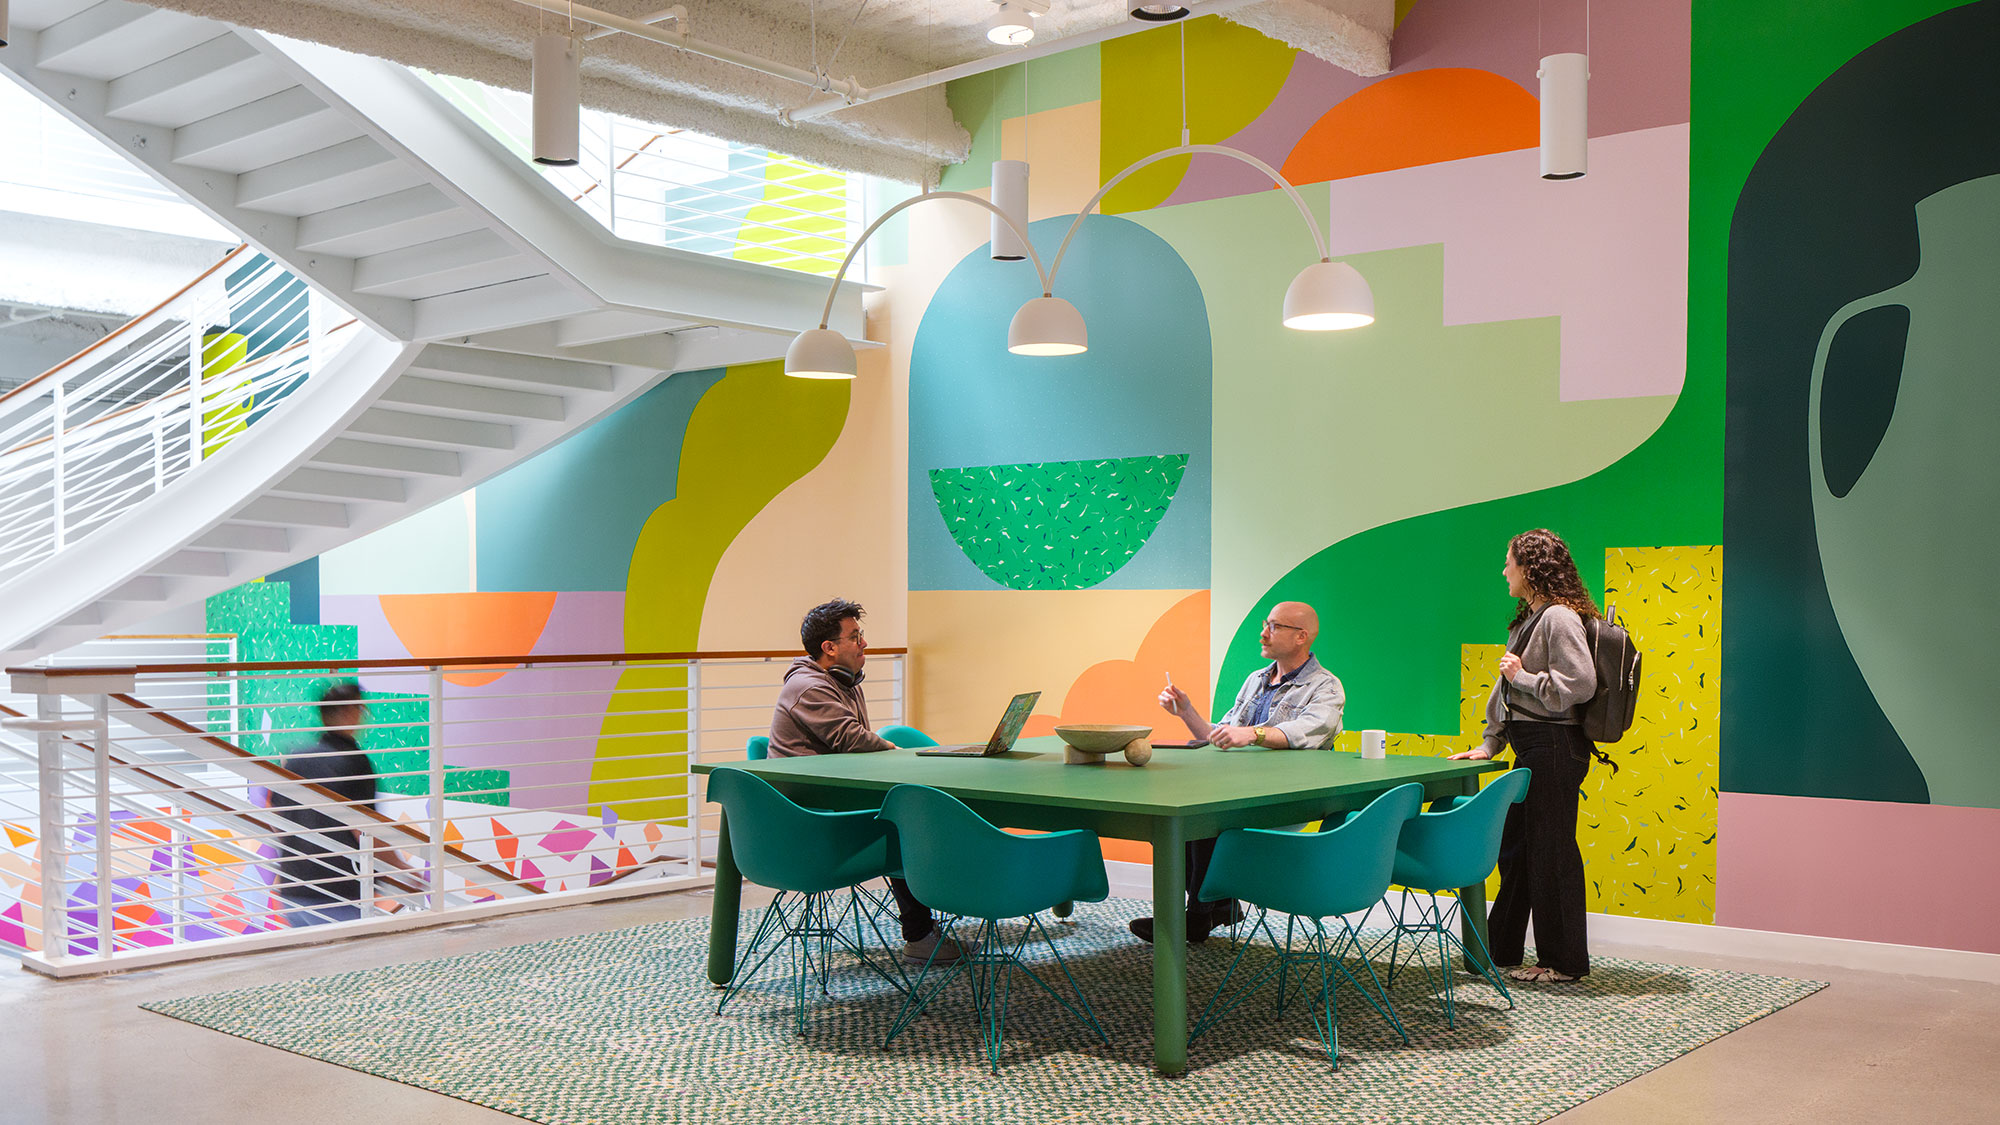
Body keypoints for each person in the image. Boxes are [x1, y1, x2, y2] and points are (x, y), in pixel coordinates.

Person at [1449, 528, 1617, 982]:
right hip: (1533, 744)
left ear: (1530, 568)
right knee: (1517, 848)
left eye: (1509, 563)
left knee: (1551, 851)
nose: (1504, 570)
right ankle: (1501, 950)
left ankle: (1562, 963)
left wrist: (1523, 677)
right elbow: (1506, 692)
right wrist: (1490, 742)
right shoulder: (1530, 618)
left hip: (1555, 746)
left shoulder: (1558, 618)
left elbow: (1576, 685)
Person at [1130, 600, 1346, 944]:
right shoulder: (1255, 680)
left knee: (1207, 814)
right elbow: (1222, 738)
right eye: (1265, 624)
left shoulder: (1326, 687)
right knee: (1190, 808)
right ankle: (1215, 906)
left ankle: (1200, 915)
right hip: (1240, 791)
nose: (1263, 633)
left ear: (1301, 636)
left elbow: (1303, 733)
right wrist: (1187, 712)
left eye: (1274, 626)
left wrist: (1254, 733)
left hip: (1289, 798)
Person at [768, 598, 969, 965]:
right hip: (807, 823)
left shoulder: (842, 683)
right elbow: (852, 739)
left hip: (832, 802)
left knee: (907, 816)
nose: (864, 644)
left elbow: (854, 746)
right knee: (905, 824)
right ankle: (920, 936)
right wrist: (894, 749)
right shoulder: (808, 688)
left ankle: (933, 920)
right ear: (829, 648)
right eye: (855, 637)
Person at [269, 680, 417, 926]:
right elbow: (368, 829)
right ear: (349, 713)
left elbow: (278, 821)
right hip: (340, 891)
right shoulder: (353, 763)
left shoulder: (295, 760)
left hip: (295, 888)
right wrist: (400, 868)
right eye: (360, 710)